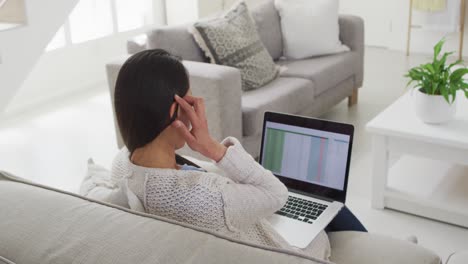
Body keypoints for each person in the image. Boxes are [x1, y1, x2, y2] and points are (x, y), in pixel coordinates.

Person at [110, 49, 366, 261]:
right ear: (175, 111)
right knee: (331, 204)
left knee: (328, 204)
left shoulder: (123, 164)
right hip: (295, 252)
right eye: (189, 100)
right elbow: (277, 194)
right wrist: (211, 147)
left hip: (245, 219)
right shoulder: (211, 198)